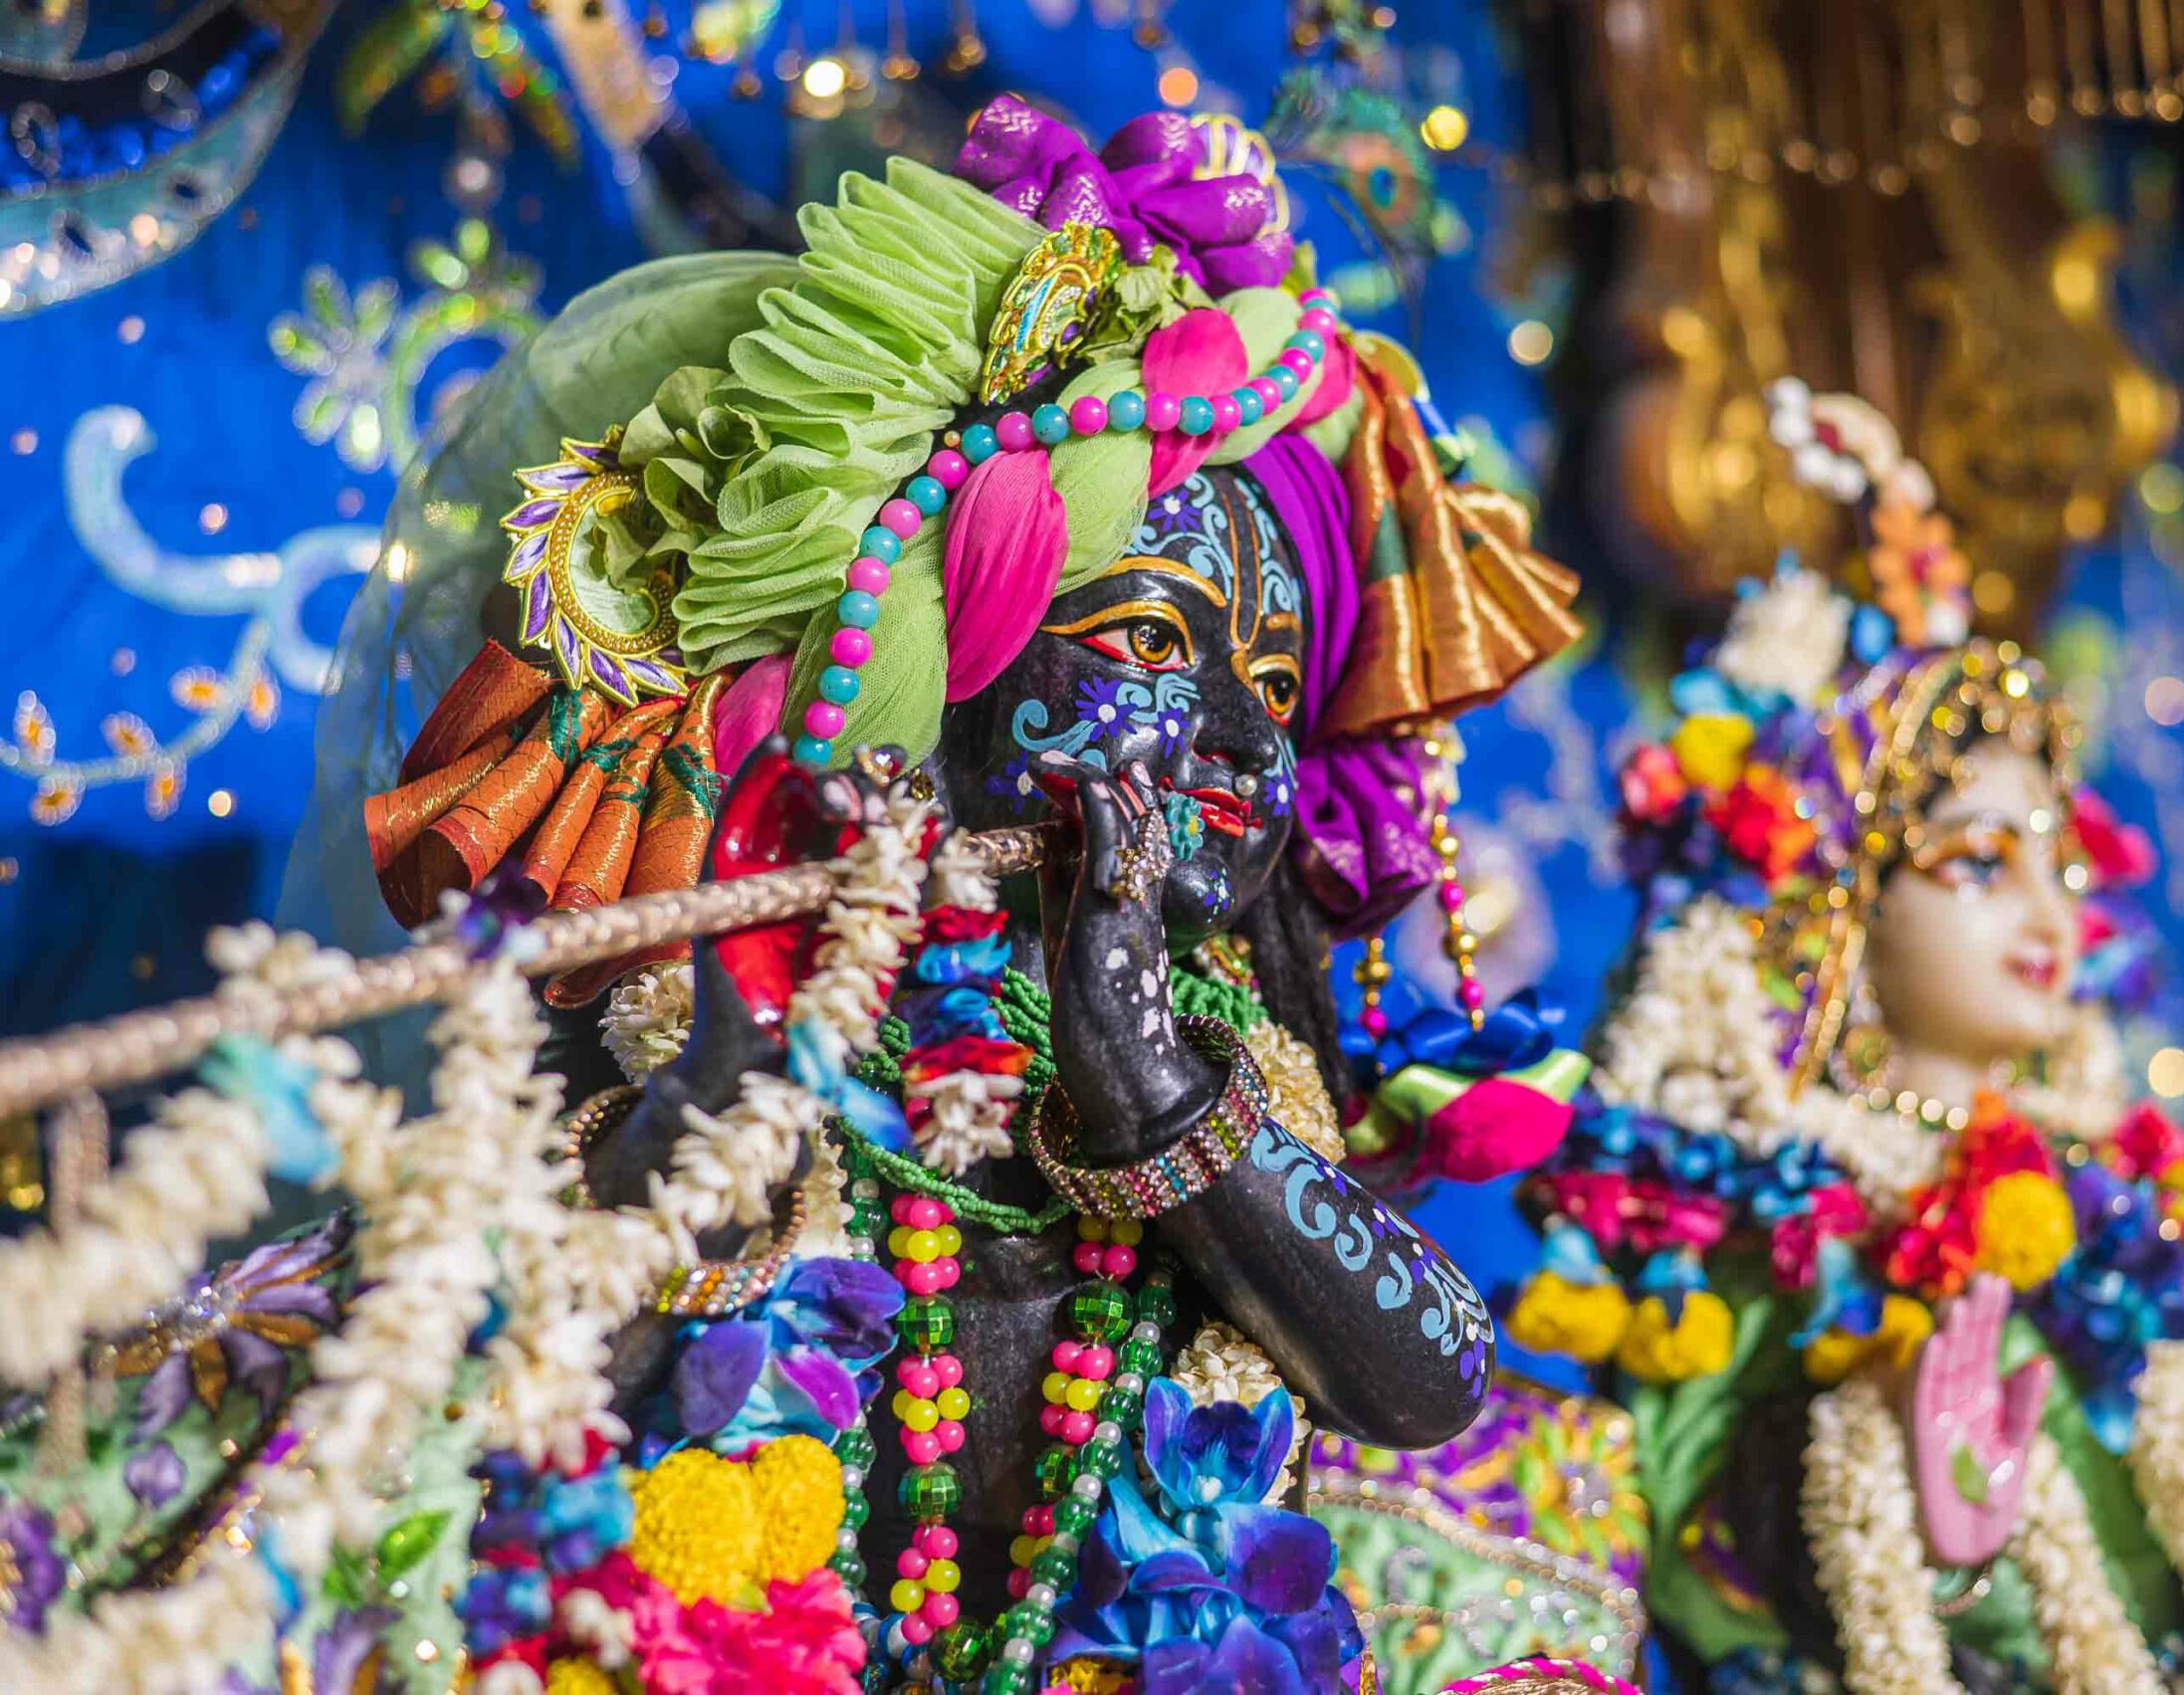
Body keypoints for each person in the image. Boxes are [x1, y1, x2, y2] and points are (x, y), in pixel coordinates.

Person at [0, 97, 1585, 1695]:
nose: (1244, 738)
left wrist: (1152, 1087)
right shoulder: (782, 969)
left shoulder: (1232, 1042)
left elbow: (1431, 1377)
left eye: (1275, 682)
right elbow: (561, 1331)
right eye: (1159, 649)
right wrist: (728, 1084)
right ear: (947, 676)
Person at [1506, 382, 2184, 1693]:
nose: (2051, 911)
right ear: (1847, 909)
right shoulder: (1791, 1218)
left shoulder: (2152, 1197)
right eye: (1981, 864)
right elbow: (1696, 1547)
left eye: (2058, 862)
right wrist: (1943, 1551)